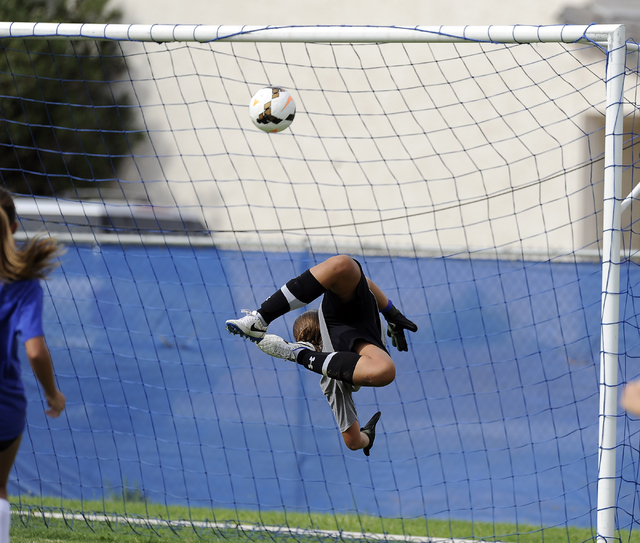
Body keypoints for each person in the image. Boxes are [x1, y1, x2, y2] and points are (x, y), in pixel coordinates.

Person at [225, 255, 417, 456]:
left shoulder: (333, 379)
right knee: (344, 265)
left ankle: (271, 330)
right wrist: (391, 312)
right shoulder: (335, 377)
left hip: (346, 322)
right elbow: (362, 281)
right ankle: (266, 323)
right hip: (359, 334)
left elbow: (353, 442)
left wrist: (366, 438)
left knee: (344, 267)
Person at [0, 188, 65, 543]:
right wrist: (53, 395)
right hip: (5, 404)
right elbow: (36, 351)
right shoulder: (23, 281)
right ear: (13, 227)